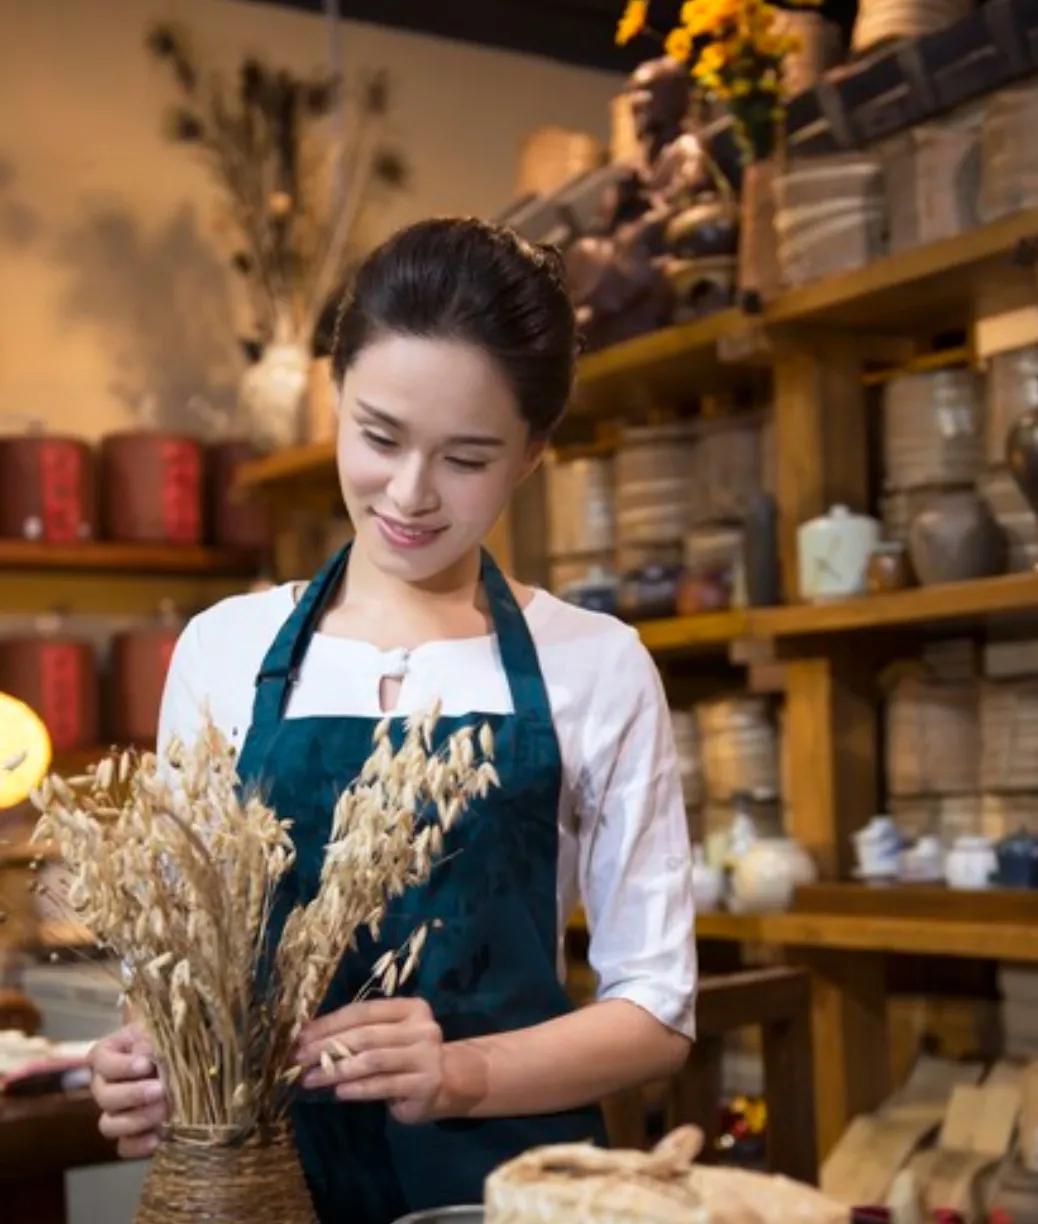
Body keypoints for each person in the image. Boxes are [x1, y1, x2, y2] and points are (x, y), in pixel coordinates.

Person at [87, 217, 697, 1223]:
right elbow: (178, 964)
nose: (409, 493)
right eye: (378, 437)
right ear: (335, 397)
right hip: (258, 1190)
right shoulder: (223, 649)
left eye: (466, 457)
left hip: (504, 1193)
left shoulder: (596, 665)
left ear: (533, 455)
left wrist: (460, 1073)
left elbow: (657, 1011)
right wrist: (155, 1057)